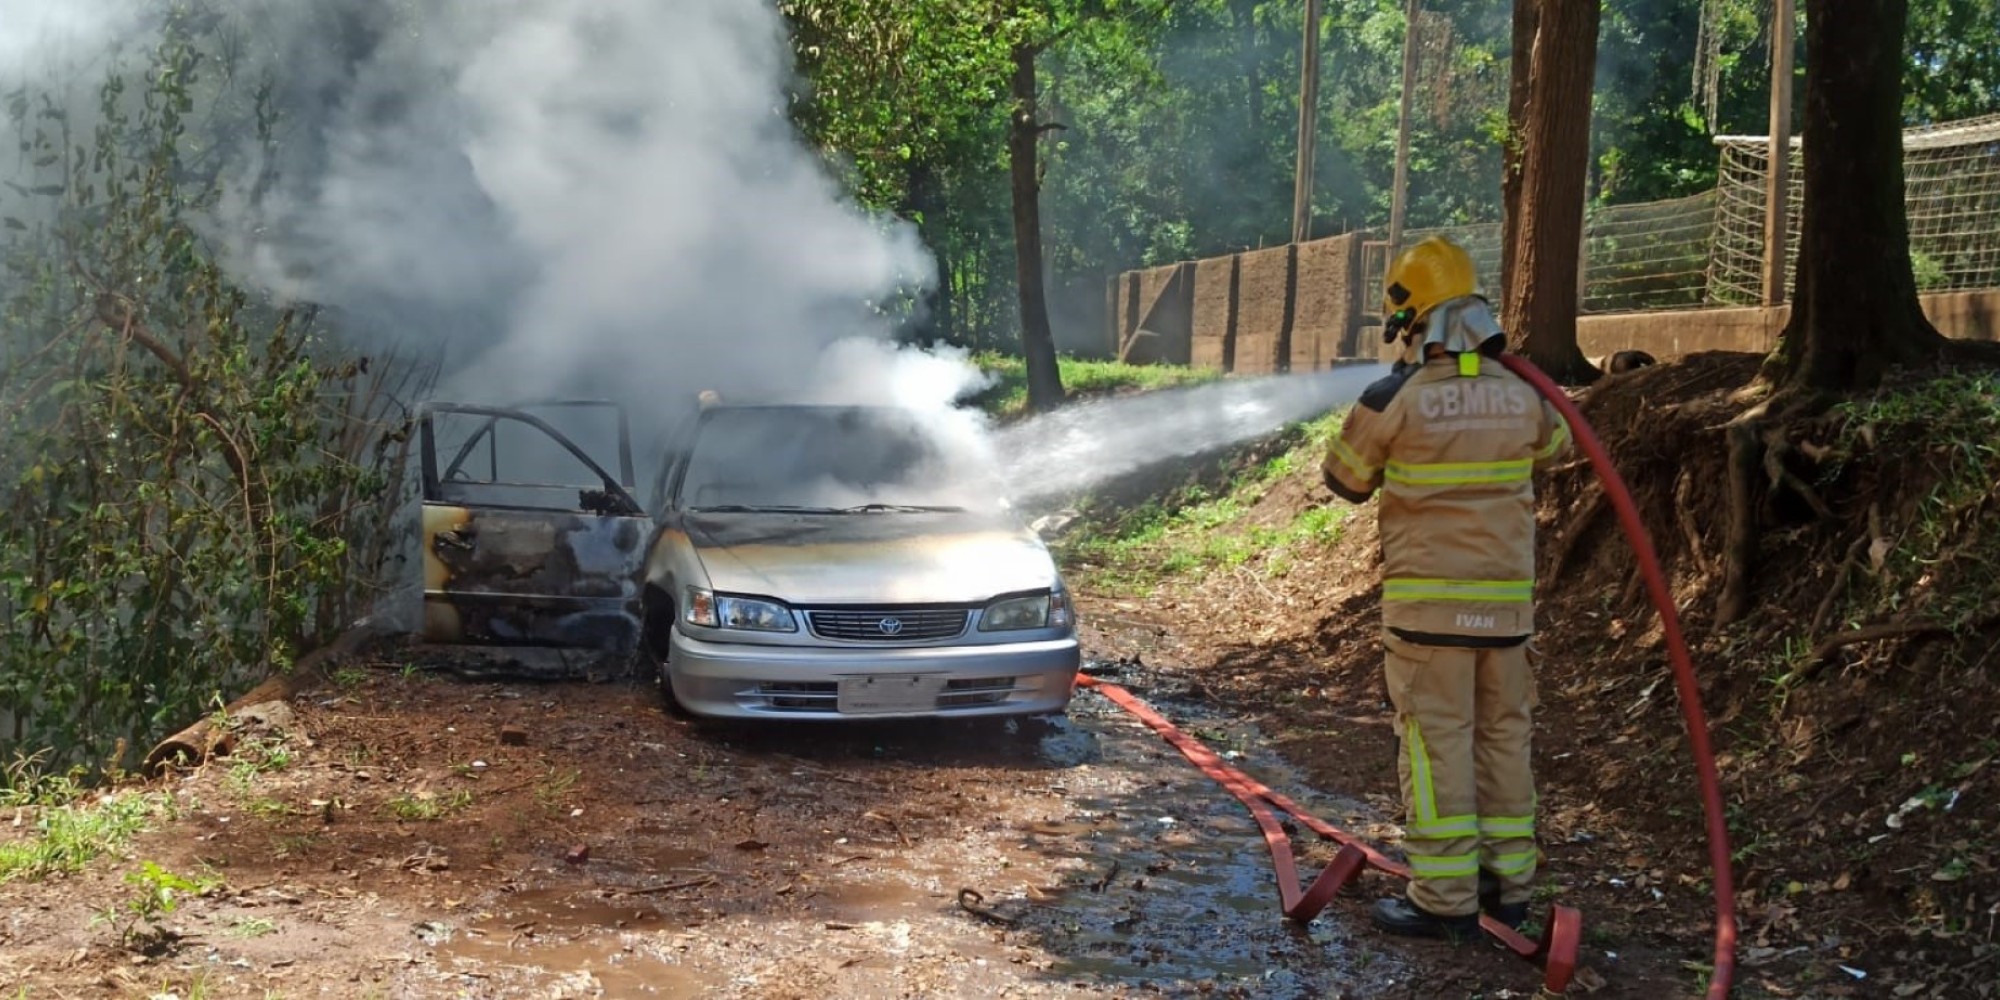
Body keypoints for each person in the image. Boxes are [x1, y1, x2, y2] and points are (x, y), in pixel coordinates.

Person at [1320, 236, 1570, 940]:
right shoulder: (1523, 394)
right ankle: (1509, 888)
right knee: (1504, 740)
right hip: (1507, 615)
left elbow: (1344, 479)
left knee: (1437, 750)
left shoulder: (1396, 398)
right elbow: (1557, 447)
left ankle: (1444, 898)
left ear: (1412, 317)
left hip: (1428, 618)